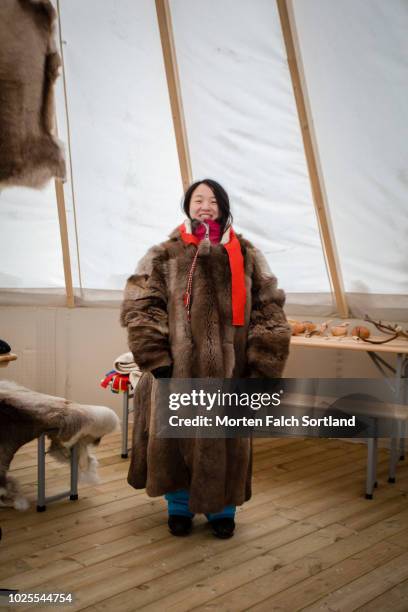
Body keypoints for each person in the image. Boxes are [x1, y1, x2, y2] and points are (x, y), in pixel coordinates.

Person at [120, 179, 291, 538]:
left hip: (232, 372)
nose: (205, 205)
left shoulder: (246, 254)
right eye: (198, 199)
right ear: (187, 206)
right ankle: (179, 508)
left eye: (213, 200)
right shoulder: (164, 253)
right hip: (175, 372)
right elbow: (141, 306)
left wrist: (263, 367)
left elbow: (269, 311)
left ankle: (222, 510)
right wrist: (156, 358)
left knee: (226, 439)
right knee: (175, 440)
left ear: (224, 207)